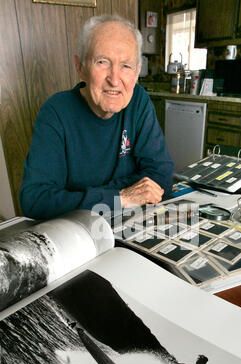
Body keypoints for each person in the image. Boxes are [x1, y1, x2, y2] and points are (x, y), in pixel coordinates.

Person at [19, 15, 174, 220]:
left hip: (128, 223)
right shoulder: (55, 112)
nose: (114, 80)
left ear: (137, 72)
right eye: (102, 62)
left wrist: (83, 196)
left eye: (126, 66)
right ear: (80, 67)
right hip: (78, 232)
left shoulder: (139, 101)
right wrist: (120, 198)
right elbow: (35, 201)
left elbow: (162, 176)